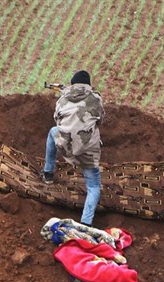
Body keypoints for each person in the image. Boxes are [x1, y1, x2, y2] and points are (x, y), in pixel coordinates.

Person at [41, 70, 105, 227]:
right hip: (88, 150)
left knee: (52, 132)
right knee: (94, 187)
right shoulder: (95, 98)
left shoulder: (63, 99)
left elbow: (57, 118)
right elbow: (100, 119)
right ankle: (86, 223)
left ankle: (48, 173)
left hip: (65, 144)